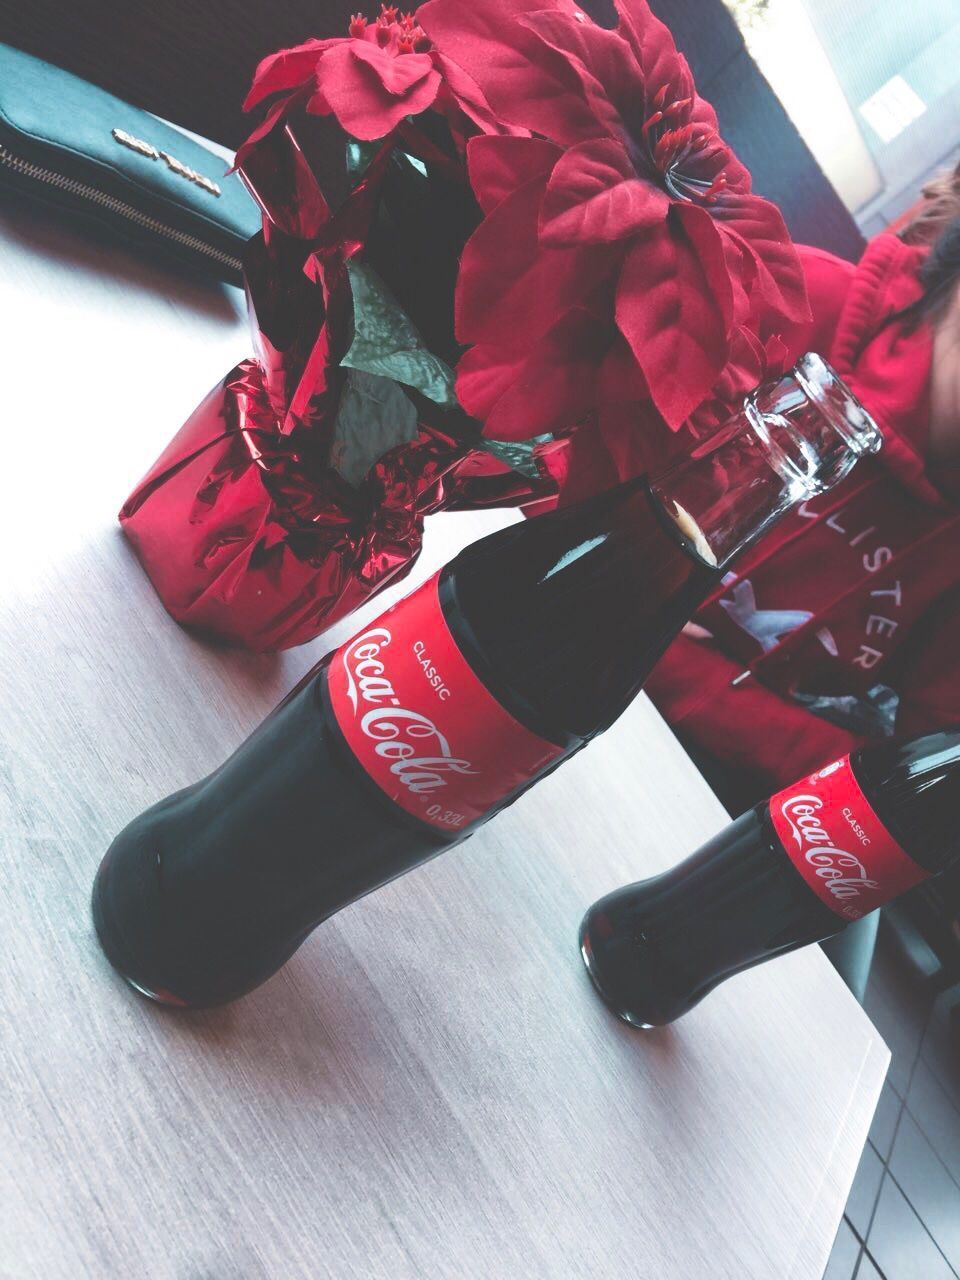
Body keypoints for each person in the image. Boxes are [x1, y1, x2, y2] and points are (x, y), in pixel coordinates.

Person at [644, 169, 960, 998]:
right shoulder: (798, 303)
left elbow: (900, 793)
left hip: (682, 811)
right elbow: (544, 501)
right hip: (526, 672)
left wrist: (668, 653)